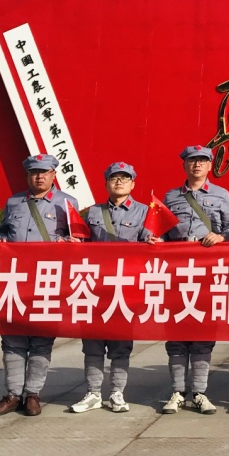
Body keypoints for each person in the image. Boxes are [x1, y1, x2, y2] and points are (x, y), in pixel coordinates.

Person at [0, 153, 79, 418]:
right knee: (12, 338)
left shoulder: (67, 203)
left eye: (44, 172)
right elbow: (3, 230)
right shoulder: (14, 202)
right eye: (34, 172)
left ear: (53, 175)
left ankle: (33, 394)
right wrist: (0, 239)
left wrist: (70, 243)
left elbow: (80, 238)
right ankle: (12, 394)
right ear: (28, 175)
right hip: (16, 279)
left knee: (41, 339)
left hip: (48, 280)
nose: (39, 177)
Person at [70, 162, 157, 415]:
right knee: (93, 344)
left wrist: (153, 242)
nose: (119, 182)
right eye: (114, 178)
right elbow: (83, 241)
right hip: (95, 286)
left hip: (125, 286)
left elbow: (149, 241)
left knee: (120, 344)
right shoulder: (94, 211)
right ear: (106, 183)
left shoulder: (144, 212)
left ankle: (117, 392)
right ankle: (93, 392)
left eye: (124, 178)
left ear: (133, 184)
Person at [162, 145, 229, 415]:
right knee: (176, 335)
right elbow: (162, 231)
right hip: (178, 272)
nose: (197, 165)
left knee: (204, 333)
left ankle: (200, 393)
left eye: (203, 161)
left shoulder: (221, 194)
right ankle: (177, 392)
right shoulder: (171, 196)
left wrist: (221, 236)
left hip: (207, 271)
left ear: (209, 166)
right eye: (192, 161)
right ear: (184, 165)